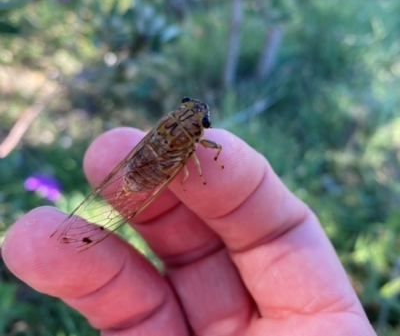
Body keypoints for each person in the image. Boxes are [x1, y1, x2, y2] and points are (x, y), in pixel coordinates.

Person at [3, 128, 377, 335]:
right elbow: (197, 162)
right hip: (151, 169)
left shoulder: (183, 135)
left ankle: (86, 221)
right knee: (114, 165)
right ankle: (83, 222)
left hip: (146, 168)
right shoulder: (197, 143)